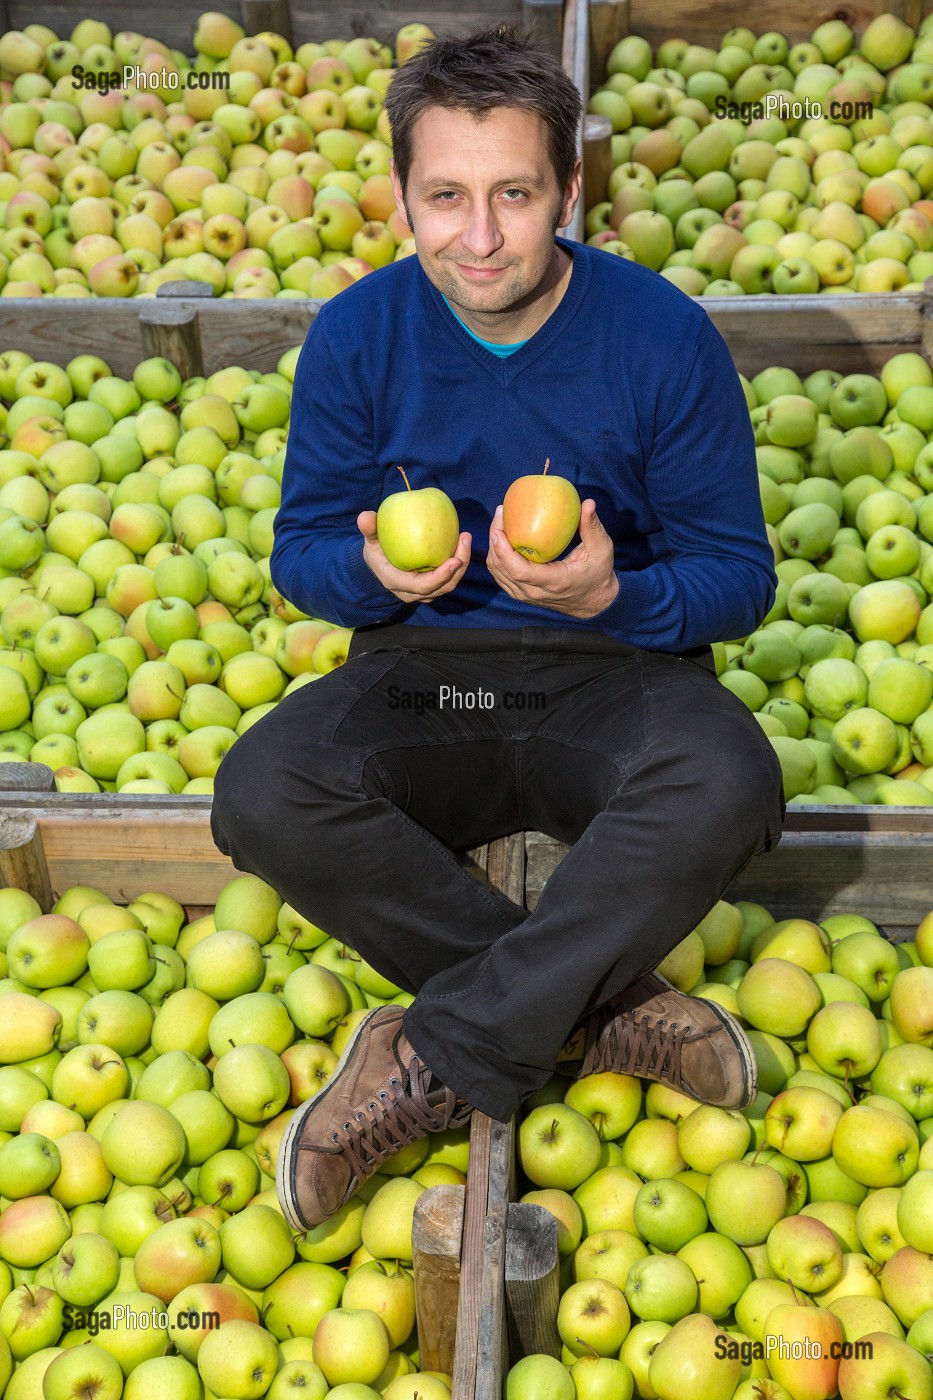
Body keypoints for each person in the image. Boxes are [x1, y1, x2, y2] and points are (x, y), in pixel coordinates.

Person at [210, 23, 786, 1234]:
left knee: (731, 774)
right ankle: (599, 1005)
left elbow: (738, 578)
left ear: (570, 191)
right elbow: (300, 552)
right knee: (263, 788)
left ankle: (435, 1043)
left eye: (514, 195)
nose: (479, 238)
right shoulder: (360, 335)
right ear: (403, 196)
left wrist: (611, 595)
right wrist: (373, 578)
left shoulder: (664, 336)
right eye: (446, 198)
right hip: (435, 683)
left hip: (612, 677)